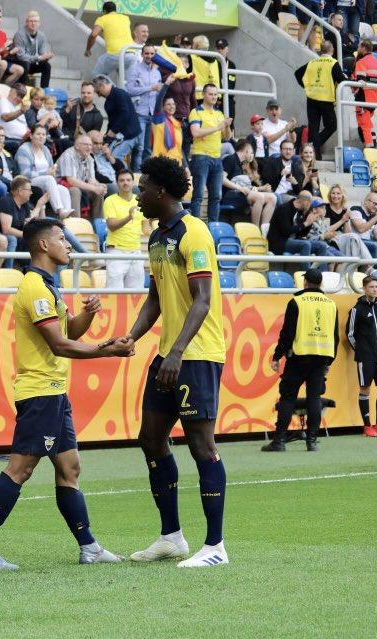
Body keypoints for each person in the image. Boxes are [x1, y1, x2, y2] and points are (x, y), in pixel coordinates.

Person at [0, 219, 133, 570]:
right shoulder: (35, 288)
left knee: (69, 468)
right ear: (43, 245)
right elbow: (58, 344)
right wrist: (106, 350)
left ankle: (89, 547)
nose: (69, 243)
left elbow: (68, 330)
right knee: (20, 469)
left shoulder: (48, 286)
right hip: (40, 392)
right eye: (61, 238)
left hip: (55, 393)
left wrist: (86, 316)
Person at [123, 155, 229, 568]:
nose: (137, 194)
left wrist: (179, 351)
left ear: (161, 192)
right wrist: (131, 336)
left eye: (142, 187)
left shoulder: (194, 233)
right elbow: (155, 298)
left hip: (196, 353)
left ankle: (215, 547)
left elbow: (202, 301)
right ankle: (172, 537)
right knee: (150, 438)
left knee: (202, 445)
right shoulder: (156, 238)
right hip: (170, 353)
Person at [262, 268, 339, 452]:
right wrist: (329, 361)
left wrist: (277, 355)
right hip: (320, 358)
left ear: (305, 282)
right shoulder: (331, 304)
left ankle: (279, 441)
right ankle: (311, 442)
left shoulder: (296, 301)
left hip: (298, 357)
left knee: (287, 398)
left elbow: (287, 333)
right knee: (314, 398)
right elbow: (334, 337)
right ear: (320, 283)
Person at [347, 274, 377, 437]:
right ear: (364, 288)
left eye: (376, 287)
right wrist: (361, 350)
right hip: (365, 357)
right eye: (371, 287)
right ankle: (367, 426)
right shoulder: (356, 310)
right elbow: (350, 334)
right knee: (365, 389)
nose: (374, 289)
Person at [0, 175, 50, 269]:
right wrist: (25, 234)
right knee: (12, 239)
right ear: (20, 191)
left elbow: (29, 222)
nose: (31, 192)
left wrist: (40, 206)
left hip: (5, 234)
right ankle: (8, 270)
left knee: (34, 238)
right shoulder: (6, 202)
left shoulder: (24, 204)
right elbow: (6, 229)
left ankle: (33, 269)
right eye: (29, 189)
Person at [186, 84, 233, 223]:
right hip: (201, 156)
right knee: (199, 195)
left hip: (216, 158)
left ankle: (213, 226)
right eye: (211, 94)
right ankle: (195, 226)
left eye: (215, 94)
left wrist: (227, 126)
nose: (214, 97)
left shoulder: (219, 114)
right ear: (203, 95)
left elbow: (227, 137)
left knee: (216, 196)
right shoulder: (196, 111)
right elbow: (195, 132)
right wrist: (218, 127)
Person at [294, 41, 345, 160]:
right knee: (331, 126)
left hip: (312, 98)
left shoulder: (312, 62)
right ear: (332, 51)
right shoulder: (333, 63)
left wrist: (306, 86)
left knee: (313, 128)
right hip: (326, 98)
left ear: (321, 51)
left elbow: (297, 73)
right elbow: (341, 80)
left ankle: (313, 153)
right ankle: (313, 148)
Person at [126, 44, 172, 172]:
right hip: (139, 112)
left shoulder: (157, 72)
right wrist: (150, 88)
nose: (149, 56)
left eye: (152, 54)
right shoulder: (135, 69)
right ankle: (136, 175)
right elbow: (129, 90)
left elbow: (158, 94)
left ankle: (145, 176)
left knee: (148, 148)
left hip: (153, 114)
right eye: (147, 53)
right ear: (142, 54)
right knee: (139, 147)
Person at [103, 169, 150, 289]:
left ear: (133, 182)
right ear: (117, 183)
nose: (125, 183)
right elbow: (112, 226)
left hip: (136, 252)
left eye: (128, 180)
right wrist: (129, 217)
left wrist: (155, 228)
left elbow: (145, 228)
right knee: (114, 294)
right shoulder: (110, 200)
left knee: (135, 294)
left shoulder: (140, 200)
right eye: (122, 180)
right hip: (116, 252)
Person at [16, 125, 72, 221]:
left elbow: (51, 170)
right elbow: (24, 174)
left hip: (45, 182)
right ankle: (60, 210)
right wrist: (46, 172)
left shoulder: (46, 150)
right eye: (38, 134)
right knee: (48, 179)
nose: (41, 136)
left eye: (44, 134)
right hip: (27, 181)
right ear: (31, 136)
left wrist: (52, 172)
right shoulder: (24, 149)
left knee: (63, 190)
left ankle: (66, 220)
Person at [222, 139, 277, 230]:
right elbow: (222, 179)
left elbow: (242, 184)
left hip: (241, 194)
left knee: (272, 198)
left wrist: (254, 189)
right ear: (247, 150)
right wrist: (239, 188)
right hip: (229, 195)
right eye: (251, 151)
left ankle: (264, 230)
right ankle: (255, 229)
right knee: (259, 197)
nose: (252, 154)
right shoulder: (230, 159)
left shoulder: (241, 164)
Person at [93, 75, 142, 170]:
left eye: (98, 92)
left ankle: (125, 179)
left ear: (103, 86)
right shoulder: (108, 101)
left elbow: (125, 114)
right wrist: (107, 139)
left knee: (115, 158)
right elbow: (112, 122)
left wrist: (113, 131)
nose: (98, 95)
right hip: (122, 135)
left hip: (130, 134)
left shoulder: (119, 94)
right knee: (107, 155)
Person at [268, 191, 334, 259]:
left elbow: (302, 234)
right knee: (306, 244)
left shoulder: (299, 212)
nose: (309, 206)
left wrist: (310, 222)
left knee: (321, 245)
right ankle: (307, 270)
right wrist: (306, 223)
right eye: (309, 203)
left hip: (294, 240)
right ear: (305, 202)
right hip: (280, 242)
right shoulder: (284, 209)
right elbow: (286, 231)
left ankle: (318, 270)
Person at [57, 134, 107, 220]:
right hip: (60, 186)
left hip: (78, 184)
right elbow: (71, 181)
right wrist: (94, 188)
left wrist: (99, 186)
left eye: (90, 145)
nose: (89, 147)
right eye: (85, 144)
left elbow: (92, 180)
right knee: (75, 191)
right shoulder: (68, 156)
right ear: (77, 146)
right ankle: (77, 224)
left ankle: (99, 224)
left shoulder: (89, 158)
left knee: (98, 193)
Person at [85, 2, 135, 78]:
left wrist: (88, 49)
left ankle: (111, 89)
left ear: (104, 11)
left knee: (97, 76)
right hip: (131, 54)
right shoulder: (126, 18)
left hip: (115, 54)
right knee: (126, 81)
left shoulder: (102, 19)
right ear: (115, 10)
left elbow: (93, 35)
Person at [352, 40, 377, 148]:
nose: (358, 49)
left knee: (364, 125)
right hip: (374, 99)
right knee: (368, 124)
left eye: (359, 47)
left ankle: (369, 148)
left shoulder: (361, 62)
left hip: (363, 99)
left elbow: (360, 81)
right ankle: (373, 144)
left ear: (364, 49)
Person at [13, 11, 53, 88]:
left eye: (36, 21)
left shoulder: (41, 36)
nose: (33, 23)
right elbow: (21, 56)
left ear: (39, 23)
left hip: (32, 62)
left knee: (47, 66)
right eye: (31, 21)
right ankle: (23, 89)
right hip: (19, 62)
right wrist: (38, 58)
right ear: (26, 22)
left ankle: (44, 90)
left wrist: (46, 57)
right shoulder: (20, 34)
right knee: (25, 64)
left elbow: (42, 54)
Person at [260, 140, 306, 205]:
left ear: (293, 151)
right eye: (285, 149)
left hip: (292, 194)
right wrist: (280, 175)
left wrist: (295, 183)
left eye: (290, 149)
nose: (288, 152)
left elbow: (299, 190)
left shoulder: (296, 167)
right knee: (300, 201)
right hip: (277, 195)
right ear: (280, 150)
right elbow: (266, 183)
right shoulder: (272, 163)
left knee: (309, 197)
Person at [0, 82, 29, 155]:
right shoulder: (4, 101)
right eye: (18, 95)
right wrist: (21, 111)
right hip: (8, 139)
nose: (19, 98)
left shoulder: (18, 108)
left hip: (23, 139)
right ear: (11, 91)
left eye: (21, 97)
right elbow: (5, 117)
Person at [150, 96, 184, 165]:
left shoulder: (178, 124)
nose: (172, 106)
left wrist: (186, 167)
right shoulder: (159, 120)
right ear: (162, 107)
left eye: (173, 104)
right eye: (168, 104)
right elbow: (159, 101)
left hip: (177, 164)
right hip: (161, 163)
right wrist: (166, 85)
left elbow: (179, 149)